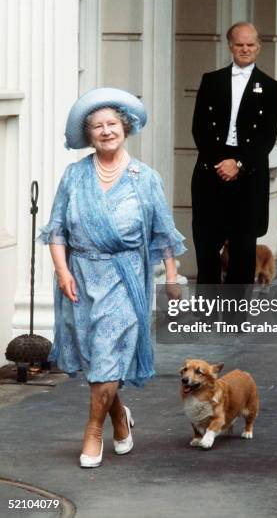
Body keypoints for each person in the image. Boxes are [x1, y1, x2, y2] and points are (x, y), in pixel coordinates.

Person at [40, 88, 185, 468]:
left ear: (126, 127)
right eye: (97, 126)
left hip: (125, 276)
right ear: (89, 135)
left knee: (106, 352)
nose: (106, 131)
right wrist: (62, 271)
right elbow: (56, 230)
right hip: (81, 276)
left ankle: (92, 431)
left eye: (112, 124)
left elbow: (162, 232)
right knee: (97, 359)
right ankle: (119, 416)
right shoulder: (74, 175)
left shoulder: (145, 178)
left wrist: (171, 276)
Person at [191, 22, 277, 286]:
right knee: (207, 248)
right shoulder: (211, 80)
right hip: (211, 170)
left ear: (258, 47)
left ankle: (234, 323)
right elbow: (199, 128)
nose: (245, 49)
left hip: (249, 175)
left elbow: (267, 137)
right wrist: (221, 163)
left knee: (242, 253)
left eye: (250, 45)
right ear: (230, 46)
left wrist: (239, 163)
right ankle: (206, 318)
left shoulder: (270, 87)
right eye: (239, 44)